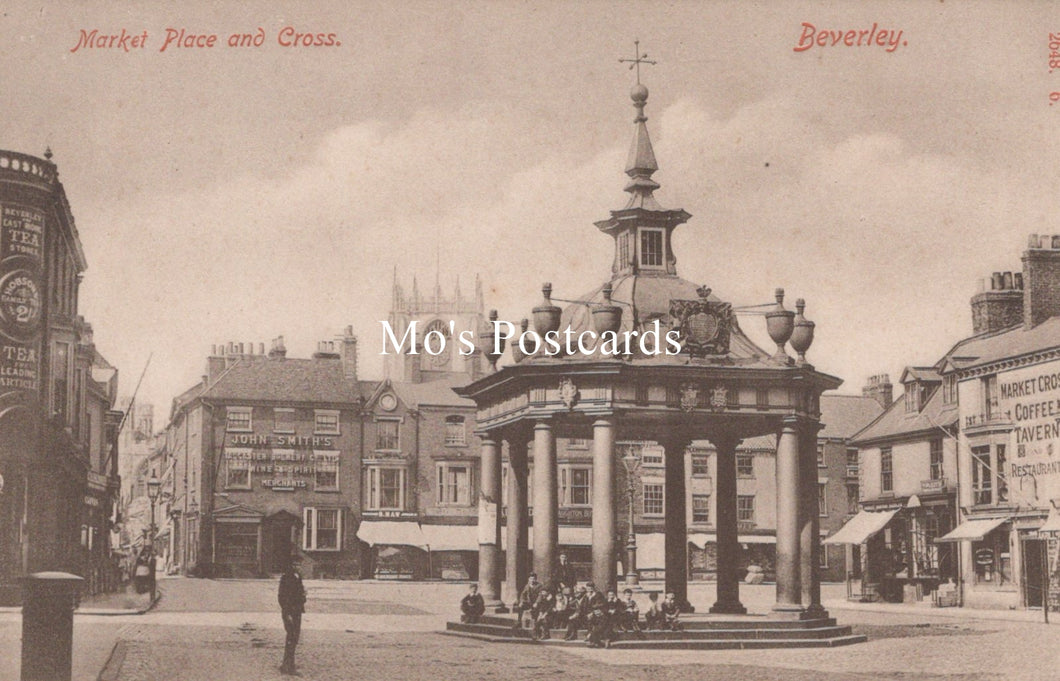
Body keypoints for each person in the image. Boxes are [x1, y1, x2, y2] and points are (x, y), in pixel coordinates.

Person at [278, 558, 307, 675]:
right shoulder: (287, 578)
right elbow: (282, 597)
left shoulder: (297, 577)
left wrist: (303, 596)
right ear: (292, 565)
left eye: (300, 564)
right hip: (290, 612)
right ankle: (287, 667)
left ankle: (289, 664)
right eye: (296, 564)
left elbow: (299, 596)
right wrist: (287, 612)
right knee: (291, 638)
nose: (299, 566)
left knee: (294, 639)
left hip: (297, 611)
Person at [583, 582, 607, 647]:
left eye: (591, 588)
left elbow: (599, 604)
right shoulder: (585, 595)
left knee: (597, 622)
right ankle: (592, 638)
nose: (589, 590)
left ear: (593, 588)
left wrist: (593, 612)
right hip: (586, 614)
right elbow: (582, 606)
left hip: (596, 613)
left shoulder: (598, 595)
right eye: (588, 588)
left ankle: (591, 638)